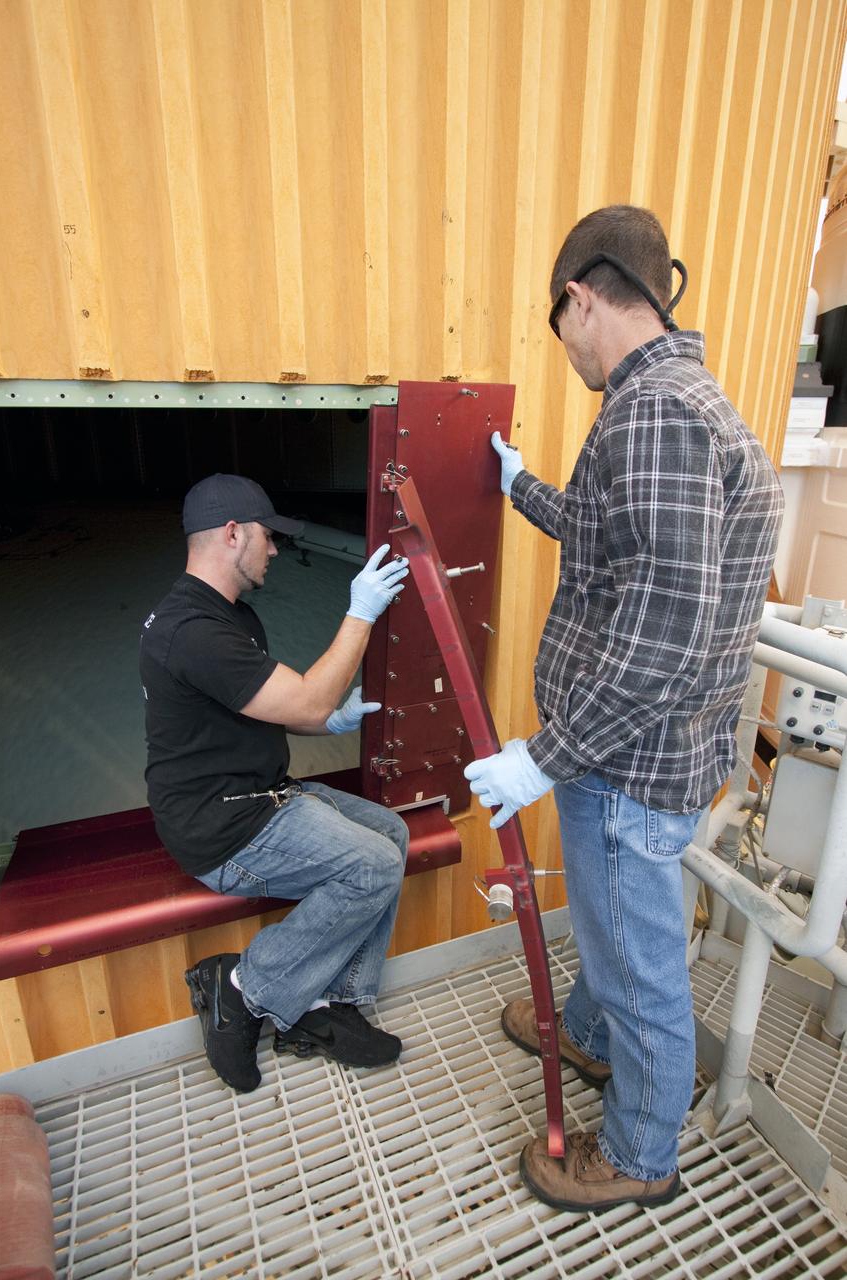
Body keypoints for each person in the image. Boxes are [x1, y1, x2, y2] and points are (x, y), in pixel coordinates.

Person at [465, 206, 784, 1213]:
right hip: (665, 753)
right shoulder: (686, 400)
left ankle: (641, 1151)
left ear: (580, 299)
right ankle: (594, 1042)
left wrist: (543, 758)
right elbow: (616, 544)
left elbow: (664, 633)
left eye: (559, 325)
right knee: (611, 933)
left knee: (638, 960)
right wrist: (523, 488)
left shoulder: (649, 412)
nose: (562, 348)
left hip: (624, 765)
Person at [140, 472, 411, 1093]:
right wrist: (360, 612)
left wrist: (328, 721)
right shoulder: (195, 633)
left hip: (258, 792)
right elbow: (310, 702)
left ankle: (322, 1004)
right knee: (370, 865)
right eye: (268, 536)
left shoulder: (227, 616)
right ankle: (239, 988)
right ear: (233, 534)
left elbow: (285, 711)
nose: (276, 549)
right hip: (223, 824)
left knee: (390, 833)